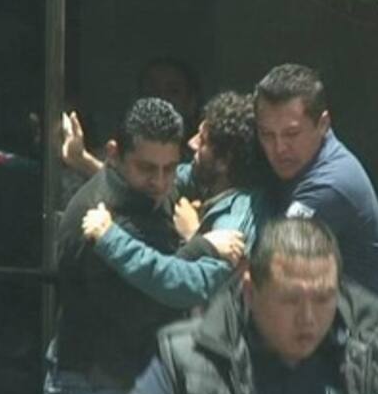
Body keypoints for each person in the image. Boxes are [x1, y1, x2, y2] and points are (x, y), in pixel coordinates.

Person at [43, 98, 242, 394]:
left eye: (170, 168)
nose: (160, 182)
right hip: (95, 389)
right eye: (147, 168)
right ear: (114, 154)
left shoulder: (144, 191)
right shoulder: (103, 221)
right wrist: (202, 246)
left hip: (127, 379)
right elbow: (154, 298)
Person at [114, 217, 378, 394]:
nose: (308, 318)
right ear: (250, 292)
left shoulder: (377, 352)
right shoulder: (187, 357)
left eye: (323, 299)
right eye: (290, 299)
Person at [79, 91, 270, 308]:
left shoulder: (235, 221)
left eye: (203, 140)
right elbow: (154, 178)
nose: (191, 143)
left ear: (223, 161)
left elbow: (189, 285)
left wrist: (110, 238)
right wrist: (85, 161)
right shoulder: (209, 179)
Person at [254, 63, 378, 310]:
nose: (279, 148)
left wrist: (200, 240)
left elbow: (268, 272)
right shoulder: (302, 163)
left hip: (367, 328)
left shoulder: (330, 185)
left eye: (291, 134)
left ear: (323, 124)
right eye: (267, 135)